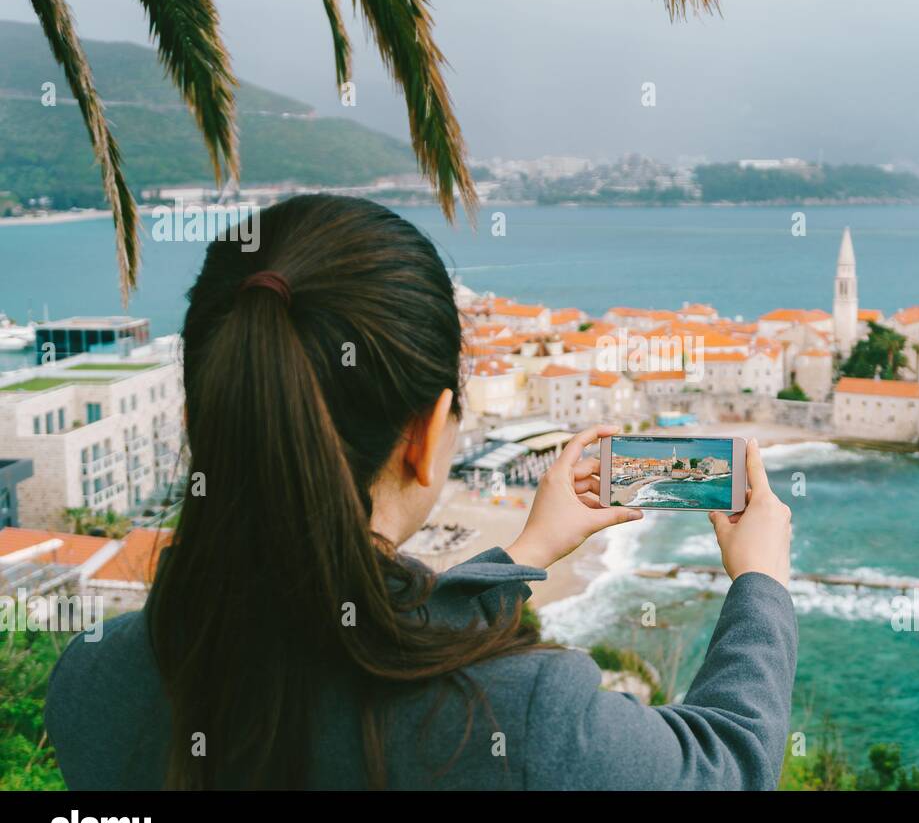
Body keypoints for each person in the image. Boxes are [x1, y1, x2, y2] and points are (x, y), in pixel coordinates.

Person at [44, 194, 796, 789]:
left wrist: (528, 552)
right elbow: (729, 761)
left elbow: (352, 629)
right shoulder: (523, 721)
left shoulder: (93, 680)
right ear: (428, 434)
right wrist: (760, 582)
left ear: (200, 418)